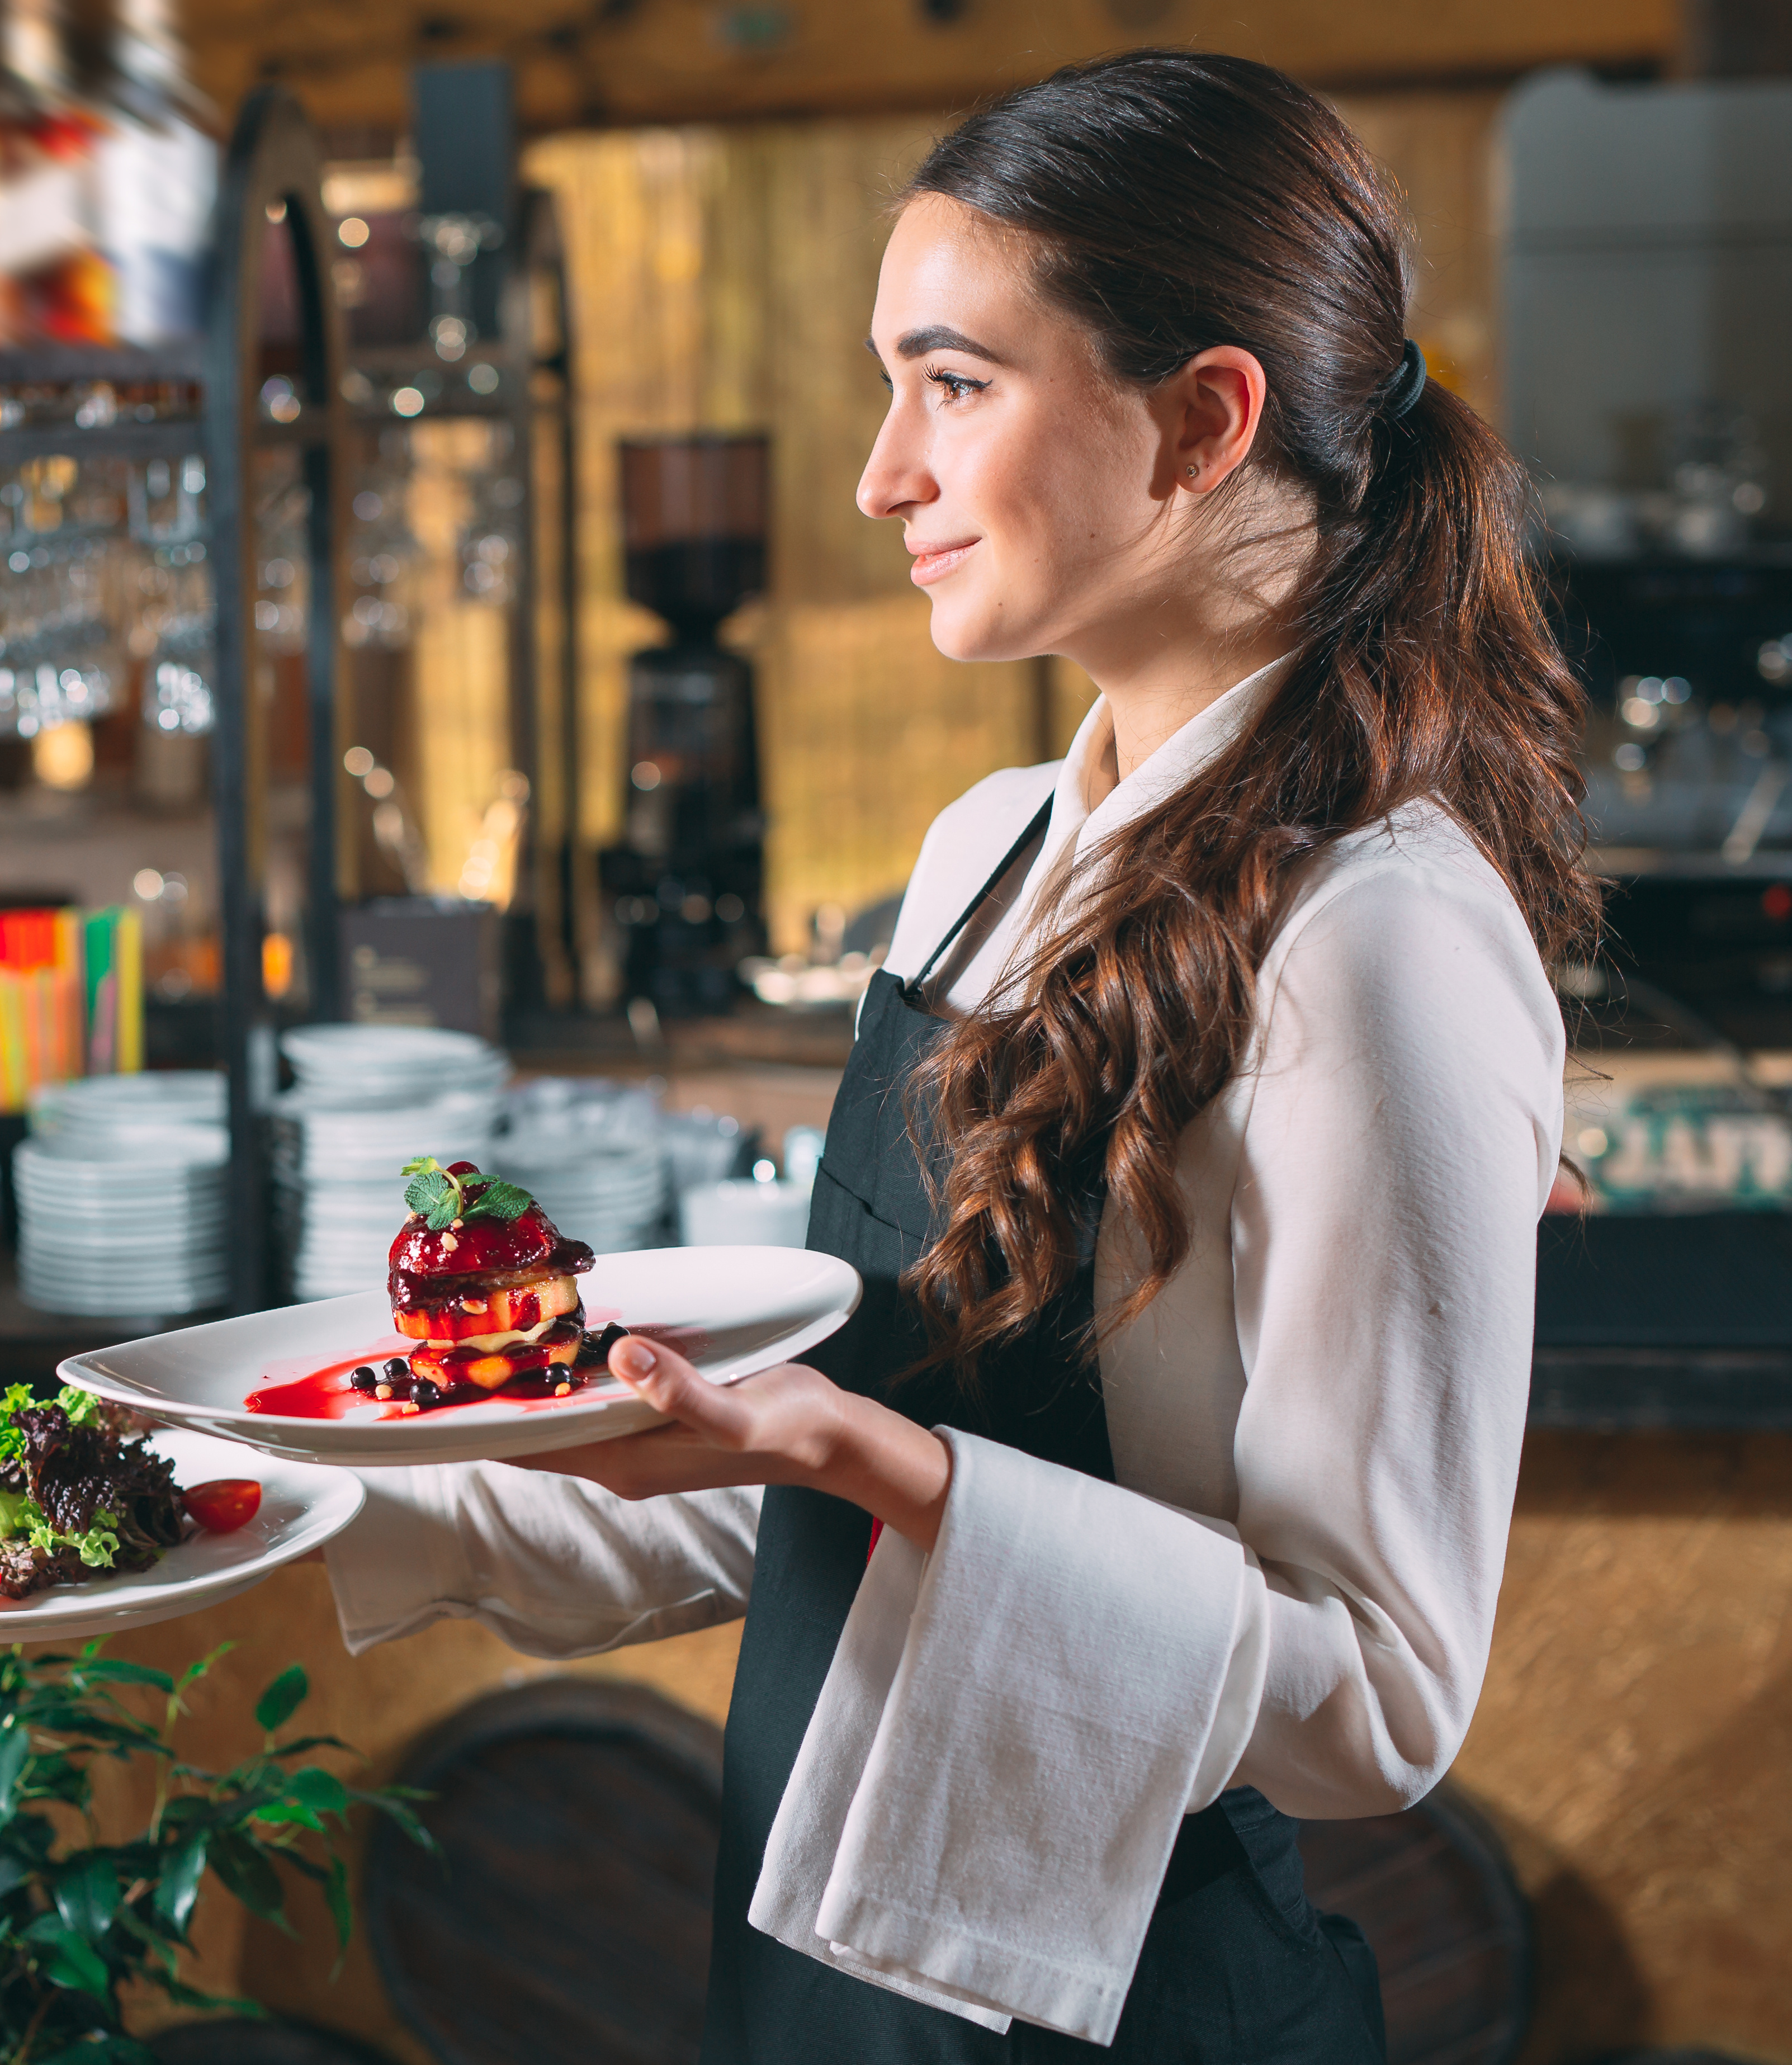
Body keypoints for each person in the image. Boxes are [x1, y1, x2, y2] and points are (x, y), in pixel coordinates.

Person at [321, 48, 1590, 2063]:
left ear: (1201, 422)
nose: (878, 473)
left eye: (954, 384)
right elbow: (828, 1491)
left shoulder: (1382, 938)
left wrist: (873, 1458)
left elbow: (1377, 1698)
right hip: (826, 1968)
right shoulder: (988, 858)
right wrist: (284, 1494)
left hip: (1127, 2008)